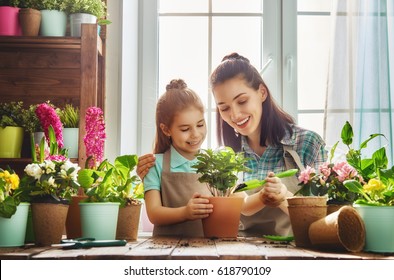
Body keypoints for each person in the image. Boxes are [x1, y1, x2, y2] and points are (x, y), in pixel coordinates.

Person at [139, 53, 327, 236]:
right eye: (225, 108)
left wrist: (284, 197)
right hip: (236, 254)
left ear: (262, 92)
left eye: (242, 101)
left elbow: (324, 219)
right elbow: (241, 207)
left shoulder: (308, 144)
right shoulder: (224, 158)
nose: (235, 115)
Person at [143, 78, 281, 237]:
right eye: (185, 129)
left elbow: (242, 205)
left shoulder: (216, 164)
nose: (195, 134)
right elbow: (154, 213)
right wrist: (185, 213)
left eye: (200, 125)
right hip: (167, 251)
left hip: (208, 251)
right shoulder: (155, 165)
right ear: (166, 130)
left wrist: (264, 196)